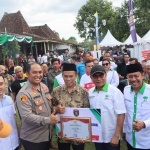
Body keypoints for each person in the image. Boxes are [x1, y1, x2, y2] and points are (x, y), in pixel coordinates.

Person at [16, 63, 58, 150]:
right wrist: (48, 120)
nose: (38, 75)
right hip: (33, 139)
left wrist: (56, 109)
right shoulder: (23, 93)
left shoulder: (44, 87)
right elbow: (26, 116)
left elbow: (47, 106)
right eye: (34, 72)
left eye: (40, 72)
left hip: (46, 136)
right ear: (27, 74)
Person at [51, 63, 89, 150]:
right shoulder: (56, 91)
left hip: (79, 131)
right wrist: (56, 109)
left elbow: (87, 112)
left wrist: (85, 132)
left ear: (76, 75)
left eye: (71, 76)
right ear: (62, 76)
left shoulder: (83, 92)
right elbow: (50, 108)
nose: (68, 79)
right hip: (63, 131)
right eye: (66, 76)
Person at [88, 65, 126, 150]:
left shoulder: (115, 92)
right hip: (97, 135)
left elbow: (121, 114)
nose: (99, 79)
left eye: (101, 75)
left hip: (111, 135)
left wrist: (116, 136)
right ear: (91, 77)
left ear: (106, 75)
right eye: (95, 76)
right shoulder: (90, 92)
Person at [123, 63, 150, 150]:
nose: (133, 79)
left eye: (136, 76)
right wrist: (124, 131)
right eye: (130, 76)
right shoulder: (126, 90)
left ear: (143, 74)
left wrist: (144, 124)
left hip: (146, 141)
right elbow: (126, 113)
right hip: (130, 139)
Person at [0, 75, 19, 150]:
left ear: (5, 84)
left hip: (14, 142)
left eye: (1, 84)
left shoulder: (9, 99)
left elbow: (14, 119)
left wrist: (18, 135)